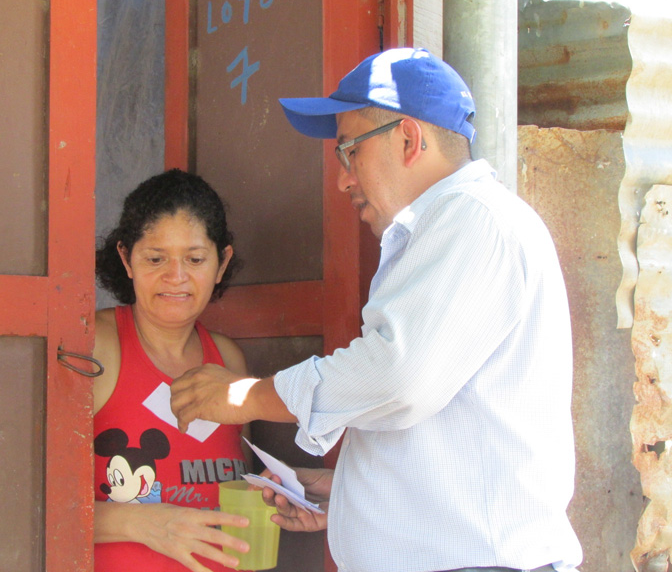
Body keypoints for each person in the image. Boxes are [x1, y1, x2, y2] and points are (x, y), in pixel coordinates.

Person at [170, 48, 583, 572]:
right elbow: (454, 431)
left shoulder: (472, 220)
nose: (343, 179)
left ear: (409, 139)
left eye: (349, 152)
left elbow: (398, 376)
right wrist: (350, 496)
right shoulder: (454, 227)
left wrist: (247, 396)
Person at [93, 169, 254, 572]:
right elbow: (32, 502)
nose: (176, 277)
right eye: (155, 258)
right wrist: (145, 523)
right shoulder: (96, 346)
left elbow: (243, 489)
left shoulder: (229, 360)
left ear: (222, 263)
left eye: (195, 259)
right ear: (126, 258)